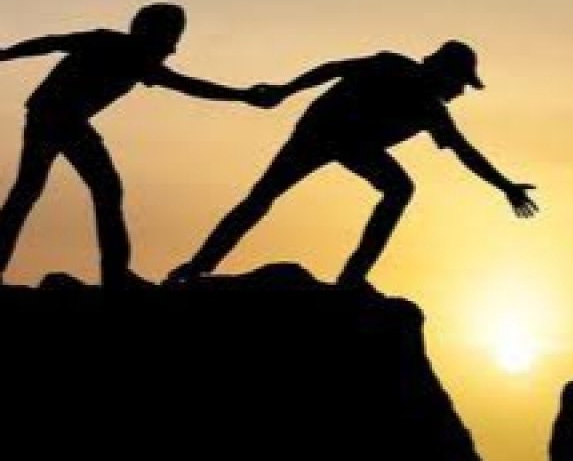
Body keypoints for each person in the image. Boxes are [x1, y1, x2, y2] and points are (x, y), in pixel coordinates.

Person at [166, 40, 537, 288]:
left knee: (399, 189)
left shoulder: (431, 112)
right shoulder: (391, 66)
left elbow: (465, 152)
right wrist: (285, 89)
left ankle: (351, 279)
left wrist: (505, 187)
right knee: (262, 197)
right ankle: (199, 266)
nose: (460, 92)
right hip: (319, 131)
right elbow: (333, 69)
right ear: (442, 70)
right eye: (460, 82)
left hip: (356, 145)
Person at [0, 3, 255, 288]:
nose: (172, 48)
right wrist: (4, 54)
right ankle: (116, 275)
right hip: (58, 117)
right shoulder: (114, 45)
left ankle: (116, 273)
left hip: (55, 117)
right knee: (99, 189)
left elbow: (188, 85)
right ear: (153, 33)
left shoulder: (137, 58)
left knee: (33, 191)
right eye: (172, 37)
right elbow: (49, 43)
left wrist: (241, 95)